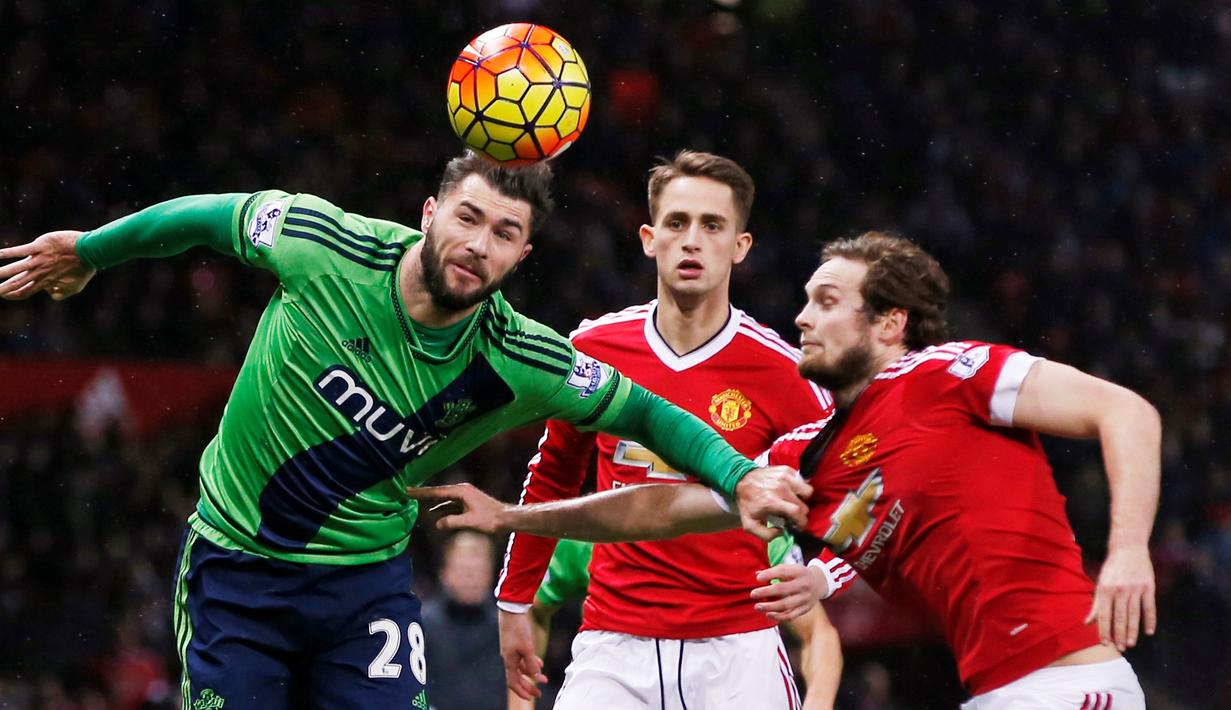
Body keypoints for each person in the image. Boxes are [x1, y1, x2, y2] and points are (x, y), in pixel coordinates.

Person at [0, 152, 810, 710]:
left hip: (364, 587)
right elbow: (205, 218)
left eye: (503, 235)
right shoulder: (322, 245)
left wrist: (739, 477)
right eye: (468, 218)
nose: (477, 245)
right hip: (237, 572)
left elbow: (646, 412)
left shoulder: (524, 356)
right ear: (430, 211)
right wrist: (92, 253)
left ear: (521, 256)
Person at [410, 232, 1161, 710]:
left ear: (889, 322)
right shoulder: (810, 455)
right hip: (993, 689)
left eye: (826, 301)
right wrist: (512, 516)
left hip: (1067, 682)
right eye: (803, 300)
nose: (801, 316)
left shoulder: (952, 371)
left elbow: (1126, 413)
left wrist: (1126, 549)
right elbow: (657, 511)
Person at [495, 151, 837, 709]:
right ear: (650, 238)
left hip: (738, 648)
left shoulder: (784, 372)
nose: (692, 241)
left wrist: (824, 572)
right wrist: (514, 601)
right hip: (612, 647)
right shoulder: (594, 349)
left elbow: (855, 486)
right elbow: (552, 476)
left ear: (740, 246)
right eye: (677, 223)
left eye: (712, 225)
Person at [506, 537, 845, 710]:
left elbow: (818, 633)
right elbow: (531, 609)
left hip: (730, 674)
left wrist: (817, 703)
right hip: (620, 668)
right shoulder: (590, 533)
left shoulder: (752, 535)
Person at [420, 532, 504, 710]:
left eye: (477, 570)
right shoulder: (422, 624)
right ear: (445, 572)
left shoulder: (506, 627)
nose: (470, 579)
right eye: (464, 570)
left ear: (491, 573)